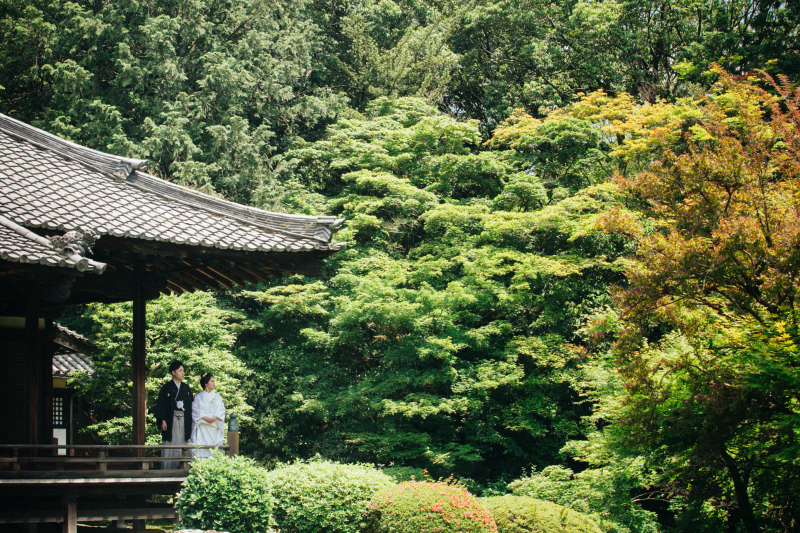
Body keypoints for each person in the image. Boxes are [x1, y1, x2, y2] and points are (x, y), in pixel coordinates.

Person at [152, 361, 193, 469]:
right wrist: (163, 420)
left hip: (184, 420)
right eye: (180, 370)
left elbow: (190, 406)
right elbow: (161, 404)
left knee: (184, 442)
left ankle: (184, 468)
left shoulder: (186, 388)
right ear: (173, 372)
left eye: (183, 370)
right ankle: (168, 468)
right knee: (171, 442)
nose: (182, 373)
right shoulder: (166, 388)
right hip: (171, 420)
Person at [190, 372, 226, 457]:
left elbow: (221, 409)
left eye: (214, 381)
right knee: (201, 447)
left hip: (214, 426)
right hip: (202, 426)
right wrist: (204, 417)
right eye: (212, 381)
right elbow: (195, 410)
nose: (214, 383)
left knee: (214, 448)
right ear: (206, 383)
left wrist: (215, 417)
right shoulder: (198, 397)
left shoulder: (217, 396)